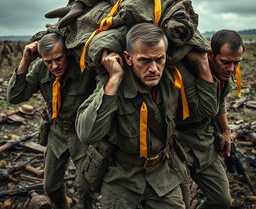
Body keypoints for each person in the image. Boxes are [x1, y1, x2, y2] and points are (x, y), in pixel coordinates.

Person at [75, 23, 217, 209]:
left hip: (162, 173)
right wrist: (114, 79)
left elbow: (207, 109)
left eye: (159, 59)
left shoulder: (171, 78)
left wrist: (203, 62)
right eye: (144, 60)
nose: (154, 68)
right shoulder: (111, 82)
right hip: (121, 178)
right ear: (128, 58)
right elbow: (88, 134)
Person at [7, 33, 96, 209]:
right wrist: (26, 61)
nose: (54, 66)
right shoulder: (40, 68)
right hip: (57, 131)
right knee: (50, 186)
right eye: (48, 61)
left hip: (83, 134)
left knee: (85, 187)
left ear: (67, 53)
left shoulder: (84, 66)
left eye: (58, 59)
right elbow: (15, 96)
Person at [175, 29, 244, 209]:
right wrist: (202, 63)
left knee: (221, 200)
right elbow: (206, 108)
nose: (231, 69)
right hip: (175, 143)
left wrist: (226, 131)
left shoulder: (224, 75)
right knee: (179, 204)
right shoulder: (186, 71)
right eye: (226, 62)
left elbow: (219, 103)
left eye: (237, 63)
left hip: (204, 141)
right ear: (211, 55)